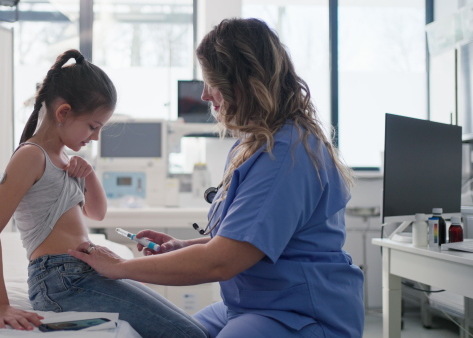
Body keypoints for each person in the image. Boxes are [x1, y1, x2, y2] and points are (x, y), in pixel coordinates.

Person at [68, 19, 365, 338]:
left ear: (244, 84)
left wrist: (120, 268)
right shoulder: (252, 144)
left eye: (212, 83)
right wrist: (183, 246)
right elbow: (245, 239)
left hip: (301, 313)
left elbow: (221, 262)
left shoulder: (285, 155)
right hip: (252, 304)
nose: (206, 95)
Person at [0, 49, 209, 338]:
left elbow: (96, 214)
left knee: (196, 330)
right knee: (190, 336)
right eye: (93, 126)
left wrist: (90, 174)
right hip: (61, 280)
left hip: (84, 271)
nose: (96, 136)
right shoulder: (31, 156)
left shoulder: (63, 159)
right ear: (63, 113)